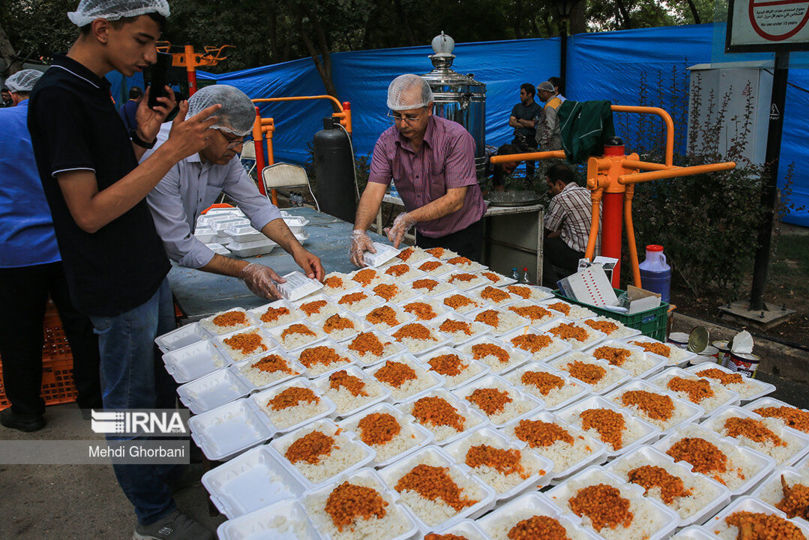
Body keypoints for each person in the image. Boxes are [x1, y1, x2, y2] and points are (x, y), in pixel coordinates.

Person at [27, 1, 220, 538]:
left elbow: (115, 181)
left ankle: (166, 471)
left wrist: (142, 138)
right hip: (113, 280)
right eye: (142, 39)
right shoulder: (59, 96)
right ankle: (153, 517)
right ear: (101, 28)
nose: (150, 55)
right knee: (130, 403)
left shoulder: (95, 89)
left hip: (144, 269)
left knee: (158, 386)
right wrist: (170, 151)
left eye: (154, 42)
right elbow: (88, 213)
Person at [145, 84, 325, 298]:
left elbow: (257, 206)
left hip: (160, 263)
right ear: (202, 125)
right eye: (231, 139)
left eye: (242, 139)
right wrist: (245, 269)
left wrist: (296, 249)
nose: (238, 149)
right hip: (133, 261)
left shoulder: (224, 156)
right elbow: (179, 244)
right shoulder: (162, 153)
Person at [0, 69, 102, 433]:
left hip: (12, 251)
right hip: (68, 244)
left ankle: (27, 411)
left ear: (13, 95)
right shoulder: (64, 122)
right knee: (83, 328)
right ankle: (95, 401)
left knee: (18, 334)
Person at [350, 74, 486, 265]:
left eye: (411, 117)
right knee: (427, 278)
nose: (403, 124)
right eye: (397, 116)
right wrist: (359, 231)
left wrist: (408, 218)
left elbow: (455, 199)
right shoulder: (387, 142)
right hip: (424, 229)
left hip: (462, 230)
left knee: (462, 280)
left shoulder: (455, 138)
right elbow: (373, 190)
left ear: (429, 108)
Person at [543, 162, 598, 286]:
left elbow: (545, 231)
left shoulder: (561, 198)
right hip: (600, 254)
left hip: (582, 257)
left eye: (550, 186)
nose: (550, 191)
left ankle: (553, 286)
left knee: (541, 244)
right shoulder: (588, 192)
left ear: (560, 184)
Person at [509, 82, 540, 180]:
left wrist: (519, 120)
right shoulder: (517, 107)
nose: (520, 96)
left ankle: (529, 183)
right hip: (518, 138)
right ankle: (509, 180)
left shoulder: (537, 109)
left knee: (530, 166)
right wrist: (525, 123)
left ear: (530, 94)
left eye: (523, 93)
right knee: (511, 161)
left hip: (531, 140)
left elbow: (533, 124)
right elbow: (511, 122)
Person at [536, 80, 563, 151]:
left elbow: (549, 127)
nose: (537, 94)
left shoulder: (550, 106)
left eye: (539, 92)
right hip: (559, 140)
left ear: (546, 92)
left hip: (552, 144)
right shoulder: (558, 101)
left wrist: (544, 144)